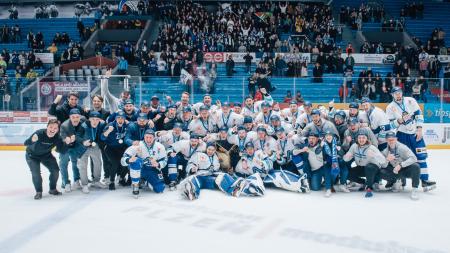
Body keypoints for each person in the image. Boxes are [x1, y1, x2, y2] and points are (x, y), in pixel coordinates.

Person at [385, 87, 436, 191]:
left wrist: (419, 129)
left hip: (415, 134)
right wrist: (399, 121)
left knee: (421, 156)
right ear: (392, 95)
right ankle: (401, 179)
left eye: (399, 92)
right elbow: (390, 125)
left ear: (402, 93)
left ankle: (425, 181)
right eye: (395, 93)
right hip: (402, 135)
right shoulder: (390, 107)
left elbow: (419, 114)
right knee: (401, 158)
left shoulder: (411, 100)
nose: (398, 95)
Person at [24, 119, 70, 200]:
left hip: (46, 155)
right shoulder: (39, 133)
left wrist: (66, 143)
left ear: (58, 130)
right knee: (36, 173)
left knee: (55, 170)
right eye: (51, 127)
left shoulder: (57, 138)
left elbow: (61, 150)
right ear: (47, 127)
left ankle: (52, 189)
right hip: (32, 156)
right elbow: (26, 143)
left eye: (55, 128)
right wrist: (32, 140)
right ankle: (39, 192)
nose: (52, 130)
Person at [121, 129, 167, 197]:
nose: (148, 139)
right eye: (146, 137)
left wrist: (158, 164)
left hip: (152, 169)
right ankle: (135, 184)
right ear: (144, 137)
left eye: (150, 137)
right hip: (141, 168)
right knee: (136, 161)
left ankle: (145, 181)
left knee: (160, 189)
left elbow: (164, 160)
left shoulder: (160, 146)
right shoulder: (137, 145)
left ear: (154, 138)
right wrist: (129, 160)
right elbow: (123, 160)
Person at [343, 129, 388, 198]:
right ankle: (364, 183)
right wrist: (347, 156)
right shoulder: (354, 146)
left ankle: (369, 187)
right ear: (357, 139)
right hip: (362, 167)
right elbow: (346, 159)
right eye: (359, 138)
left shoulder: (372, 147)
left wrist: (375, 155)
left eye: (363, 138)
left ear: (367, 139)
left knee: (369, 167)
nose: (361, 140)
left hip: (373, 169)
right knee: (347, 174)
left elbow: (384, 162)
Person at [380, 131, 421, 200]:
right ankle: (396, 181)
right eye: (389, 139)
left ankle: (415, 189)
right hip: (395, 170)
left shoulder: (402, 147)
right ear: (386, 140)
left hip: (405, 169)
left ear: (396, 139)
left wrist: (401, 165)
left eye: (392, 139)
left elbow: (414, 158)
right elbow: (382, 164)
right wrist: (387, 159)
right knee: (380, 171)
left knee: (416, 166)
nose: (391, 141)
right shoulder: (385, 151)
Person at [77, 111, 107, 193]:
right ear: (89, 119)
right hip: (83, 147)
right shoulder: (84, 126)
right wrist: (83, 142)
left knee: (98, 163)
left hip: (94, 146)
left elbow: (108, 127)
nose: (95, 121)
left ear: (100, 120)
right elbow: (77, 136)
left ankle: (96, 181)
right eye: (93, 119)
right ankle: (85, 184)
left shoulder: (101, 125)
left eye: (97, 119)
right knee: (83, 165)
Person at [59, 108, 86, 192]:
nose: (75, 119)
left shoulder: (83, 121)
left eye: (77, 117)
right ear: (70, 117)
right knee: (63, 163)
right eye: (73, 117)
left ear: (80, 117)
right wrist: (67, 139)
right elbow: (62, 138)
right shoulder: (64, 125)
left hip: (75, 146)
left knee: (75, 162)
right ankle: (66, 182)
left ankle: (77, 180)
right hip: (65, 146)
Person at [101, 111, 130, 190]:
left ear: (124, 119)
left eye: (122, 118)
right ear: (115, 118)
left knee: (127, 161)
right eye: (118, 118)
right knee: (115, 162)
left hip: (121, 147)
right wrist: (108, 131)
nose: (120, 120)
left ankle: (121, 178)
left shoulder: (127, 125)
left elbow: (137, 124)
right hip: (110, 147)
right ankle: (112, 181)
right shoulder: (110, 125)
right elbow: (102, 137)